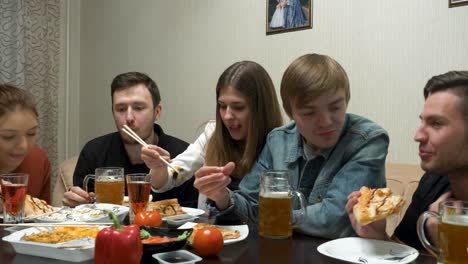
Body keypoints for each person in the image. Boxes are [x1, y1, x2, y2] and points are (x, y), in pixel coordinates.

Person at [194, 54, 389, 238]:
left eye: (335, 107)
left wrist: (269, 216)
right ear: (291, 113)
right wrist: (222, 196)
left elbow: (334, 220)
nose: (326, 121)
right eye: (309, 113)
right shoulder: (278, 140)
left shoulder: (369, 140)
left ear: (346, 99)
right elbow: (250, 203)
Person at [141, 61, 283, 217]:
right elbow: (172, 177)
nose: (227, 116)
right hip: (211, 234)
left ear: (260, 109)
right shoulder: (212, 134)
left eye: (238, 107)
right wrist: (158, 167)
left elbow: (273, 214)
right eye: (222, 106)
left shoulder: (279, 144)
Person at [346, 71, 468, 250]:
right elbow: (405, 253)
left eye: (436, 123)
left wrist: (451, 247)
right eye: (422, 122)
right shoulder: (434, 180)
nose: (418, 136)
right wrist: (379, 237)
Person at [62, 72, 196, 207]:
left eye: (138, 108)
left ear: (157, 111)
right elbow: (85, 212)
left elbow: (193, 219)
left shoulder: (183, 156)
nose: (129, 117)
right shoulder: (94, 152)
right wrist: (76, 201)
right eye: (121, 109)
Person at [0, 84, 51, 206]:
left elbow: (42, 219)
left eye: (31, 133)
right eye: (8, 136)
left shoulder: (37, 160)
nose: (23, 145)